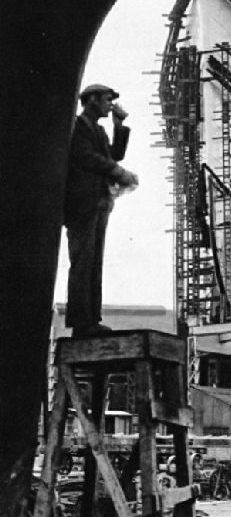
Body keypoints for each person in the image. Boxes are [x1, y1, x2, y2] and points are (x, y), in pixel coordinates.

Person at [64, 84, 138, 337]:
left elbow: (115, 154)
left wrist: (119, 126)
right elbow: (86, 157)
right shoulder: (79, 126)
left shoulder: (97, 129)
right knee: (83, 262)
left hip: (98, 202)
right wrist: (119, 173)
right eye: (107, 99)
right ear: (92, 99)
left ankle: (90, 321)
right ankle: (81, 323)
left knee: (93, 263)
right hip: (83, 204)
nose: (111, 104)